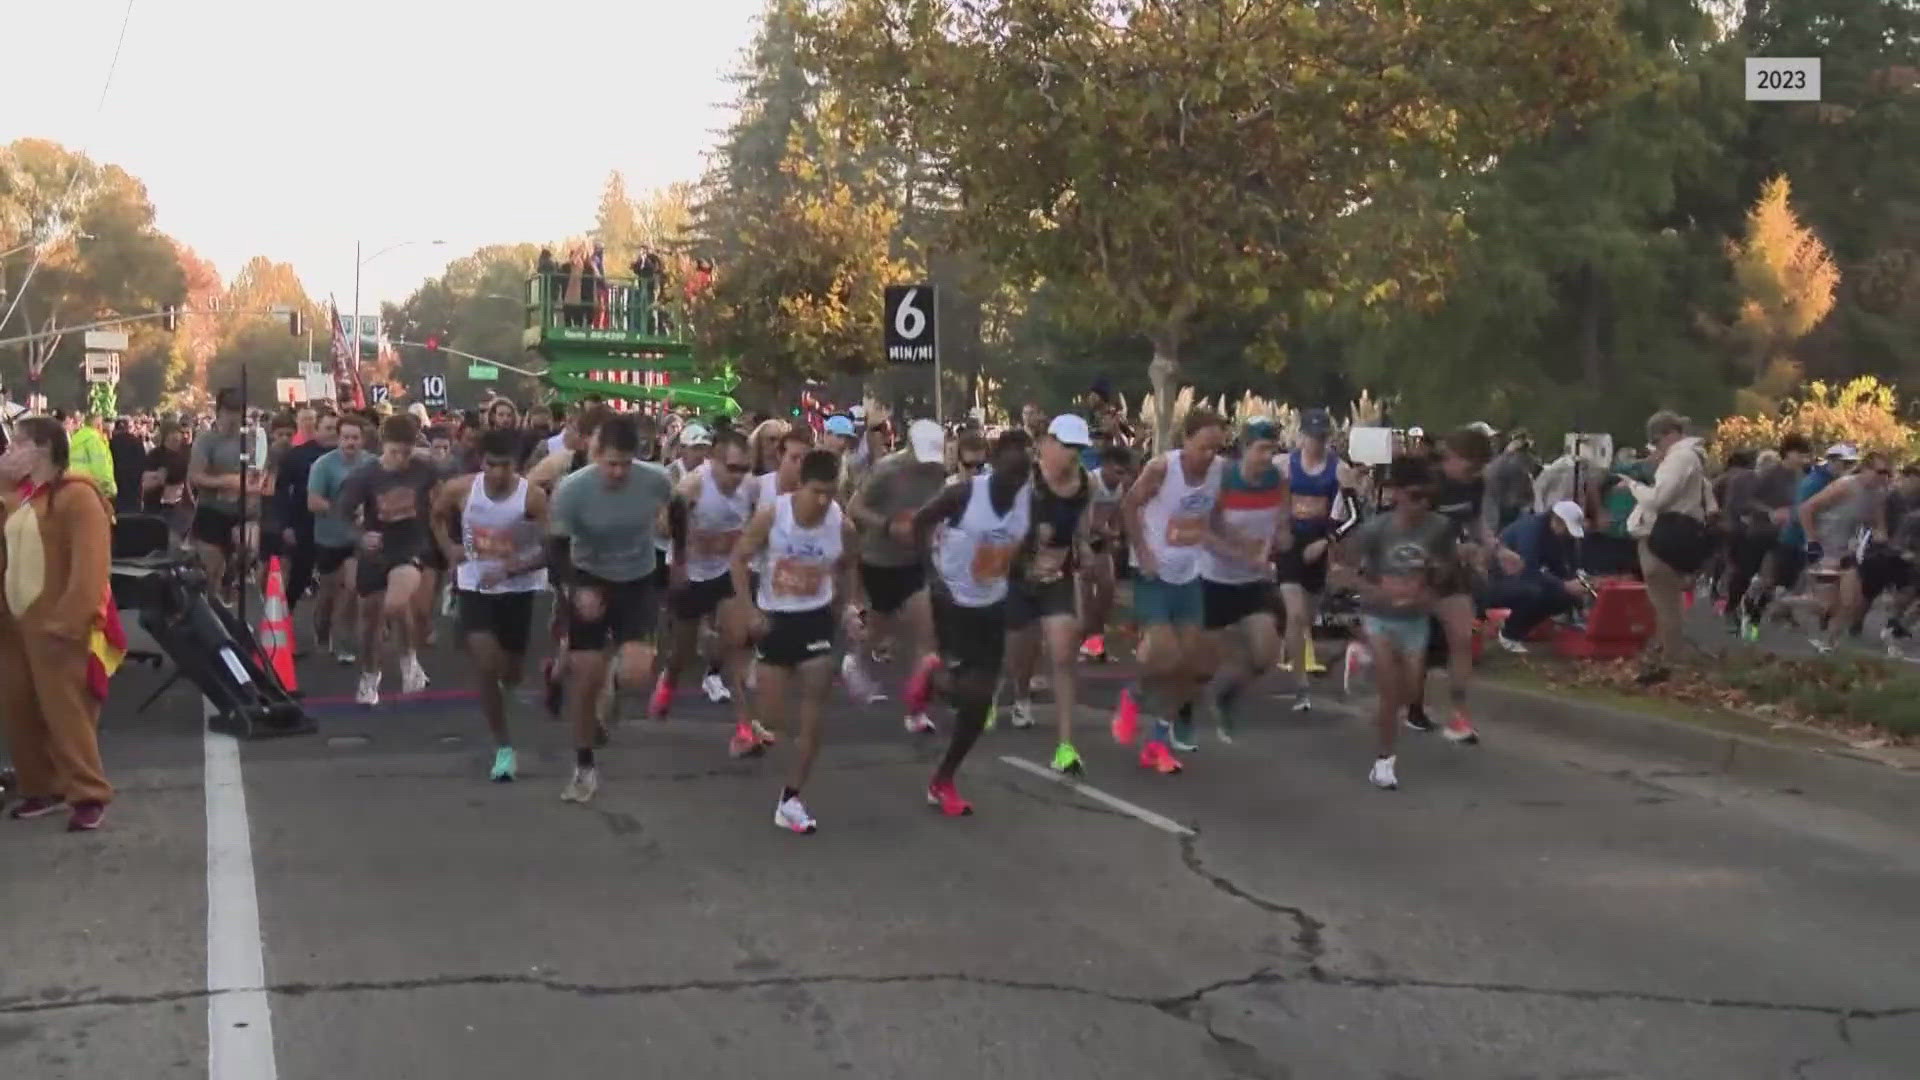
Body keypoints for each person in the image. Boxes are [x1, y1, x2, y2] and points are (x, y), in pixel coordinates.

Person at [730, 449, 862, 833]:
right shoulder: (774, 516)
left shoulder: (842, 526)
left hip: (816, 621)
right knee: (771, 719)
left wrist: (849, 606)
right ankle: (749, 690)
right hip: (775, 620)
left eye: (830, 493)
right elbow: (739, 560)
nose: (823, 501)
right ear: (800, 485)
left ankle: (791, 798)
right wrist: (748, 611)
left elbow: (851, 564)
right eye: (817, 491)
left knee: (814, 710)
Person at [548, 415, 676, 804]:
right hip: (588, 577)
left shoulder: (655, 480)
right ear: (595, 454)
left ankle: (612, 687)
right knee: (585, 680)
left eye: (625, 463)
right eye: (611, 463)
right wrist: (574, 590)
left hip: (637, 578)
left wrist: (680, 556)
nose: (618, 472)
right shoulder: (573, 490)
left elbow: (679, 511)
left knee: (637, 672)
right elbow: (554, 551)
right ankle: (584, 767)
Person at [0, 417, 116, 830]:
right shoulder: (20, 496)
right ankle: (40, 786)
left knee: (66, 712)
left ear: (44, 448)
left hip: (57, 623)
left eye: (19, 444)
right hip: (15, 624)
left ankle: (88, 792)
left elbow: (91, 564)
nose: (10, 451)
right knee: (18, 710)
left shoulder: (76, 496)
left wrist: (72, 616)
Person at [911, 430, 1034, 815]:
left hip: (991, 604)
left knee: (979, 702)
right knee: (970, 692)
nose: (1013, 487)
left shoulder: (1025, 498)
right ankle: (934, 677)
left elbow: (1021, 542)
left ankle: (944, 778)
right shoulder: (964, 494)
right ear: (993, 466)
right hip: (953, 600)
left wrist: (1020, 570)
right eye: (1008, 477)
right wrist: (931, 576)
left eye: (1021, 479)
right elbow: (920, 522)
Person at [1112, 409, 1228, 773]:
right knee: (1164, 654)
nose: (1209, 455)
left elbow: (1213, 514)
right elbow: (1129, 504)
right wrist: (1143, 551)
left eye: (1216, 448)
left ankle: (1159, 740)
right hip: (1154, 573)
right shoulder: (1163, 468)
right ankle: (1133, 694)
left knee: (1191, 666)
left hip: (1190, 573)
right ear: (1186, 440)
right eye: (1203, 447)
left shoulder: (1220, 470)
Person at [430, 428, 549, 782]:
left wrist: (518, 566)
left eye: (506, 466)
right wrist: (448, 548)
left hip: (518, 588)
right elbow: (436, 514)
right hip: (474, 583)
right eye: (492, 465)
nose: (498, 473)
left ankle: (512, 681)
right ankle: (504, 747)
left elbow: (554, 545)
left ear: (518, 465)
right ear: (482, 463)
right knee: (486, 663)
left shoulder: (533, 498)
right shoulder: (462, 489)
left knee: (510, 671)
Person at [1335, 454, 1457, 791]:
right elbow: (1341, 570)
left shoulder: (1438, 528)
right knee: (1390, 694)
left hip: (1415, 620)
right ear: (1397, 494)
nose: (1422, 505)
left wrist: (1430, 584)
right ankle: (1384, 762)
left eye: (1428, 498)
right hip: (1380, 618)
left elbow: (1447, 568)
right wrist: (1376, 590)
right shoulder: (1376, 530)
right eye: (1415, 496)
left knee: (1411, 692)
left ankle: (1364, 664)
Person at [655, 430, 764, 753]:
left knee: (735, 643)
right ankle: (669, 681)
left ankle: (744, 727)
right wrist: (680, 558)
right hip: (691, 574)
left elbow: (758, 526)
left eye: (744, 468)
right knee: (682, 651)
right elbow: (665, 523)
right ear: (712, 461)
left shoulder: (751, 488)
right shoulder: (692, 487)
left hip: (725, 573)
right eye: (731, 467)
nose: (738, 476)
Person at [1004, 415, 1095, 775]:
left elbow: (1083, 531)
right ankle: (1021, 693)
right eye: (1067, 446)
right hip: (1017, 578)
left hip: (1057, 577)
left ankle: (1066, 745)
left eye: (1079, 449)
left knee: (1062, 654)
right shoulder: (1023, 482)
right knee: (1020, 652)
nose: (1072, 455)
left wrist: (1084, 551)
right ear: (1047, 444)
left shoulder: (1087, 484)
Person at [334, 415, 443, 706]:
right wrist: (359, 536)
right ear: (383, 446)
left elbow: (441, 500)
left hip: (409, 546)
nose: (401, 459)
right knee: (370, 621)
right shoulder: (365, 476)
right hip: (375, 550)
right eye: (395, 452)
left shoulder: (424, 469)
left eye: (406, 452)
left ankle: (409, 662)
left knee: (395, 602)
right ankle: (370, 675)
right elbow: (341, 514)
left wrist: (443, 537)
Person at [850, 419, 950, 733]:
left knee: (926, 632)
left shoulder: (938, 473)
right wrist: (888, 526)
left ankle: (916, 710)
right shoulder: (886, 471)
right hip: (878, 560)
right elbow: (854, 508)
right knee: (879, 629)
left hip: (913, 563)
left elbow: (933, 511)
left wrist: (932, 535)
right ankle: (856, 659)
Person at [1200, 418, 1285, 740]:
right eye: (1261, 449)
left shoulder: (1277, 479)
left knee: (1265, 654)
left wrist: (1277, 542)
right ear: (1245, 448)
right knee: (1194, 666)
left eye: (1272, 450)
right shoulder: (1222, 480)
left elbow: (1280, 520)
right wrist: (1239, 553)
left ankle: (1226, 695)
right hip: (1213, 579)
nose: (1267, 457)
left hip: (1253, 583)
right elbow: (1203, 531)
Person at [1626, 411, 1715, 681]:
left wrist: (1633, 486)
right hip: (1677, 534)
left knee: (1664, 603)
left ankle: (1672, 661)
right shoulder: (1693, 459)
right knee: (1668, 602)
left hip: (1660, 536)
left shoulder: (1680, 457)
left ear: (1666, 435)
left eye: (1656, 441)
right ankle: (1669, 654)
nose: (1656, 448)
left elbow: (1659, 499)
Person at [1275, 408, 1343, 711]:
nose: (1316, 443)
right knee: (1297, 615)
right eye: (1312, 436)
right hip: (1291, 543)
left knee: (1309, 614)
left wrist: (1326, 542)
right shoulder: (1284, 466)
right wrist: (1278, 533)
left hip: (1319, 543)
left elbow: (1347, 516)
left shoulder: (1340, 470)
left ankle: (1294, 652)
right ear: (1302, 435)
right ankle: (1301, 685)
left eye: (1322, 437)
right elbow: (1273, 504)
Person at [306, 414, 368, 663]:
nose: (350, 442)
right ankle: (322, 630)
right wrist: (341, 509)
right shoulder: (323, 465)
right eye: (346, 437)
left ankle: (345, 643)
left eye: (355, 437)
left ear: (363, 439)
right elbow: (313, 502)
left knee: (352, 588)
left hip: (357, 539)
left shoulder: (371, 463)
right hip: (329, 538)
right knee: (329, 593)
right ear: (339, 438)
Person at [1484, 501, 1589, 650]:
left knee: (1564, 596)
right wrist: (1564, 585)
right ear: (1556, 520)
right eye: (1566, 529)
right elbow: (1527, 570)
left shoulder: (1558, 537)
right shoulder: (1531, 530)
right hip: (1495, 579)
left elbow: (1561, 568)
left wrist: (1578, 595)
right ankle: (1509, 634)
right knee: (1533, 591)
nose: (1567, 535)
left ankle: (1520, 629)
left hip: (1521, 578)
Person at [188, 390, 248, 604]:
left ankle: (229, 584)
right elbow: (195, 477)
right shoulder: (206, 441)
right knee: (211, 570)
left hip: (243, 511)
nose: (233, 417)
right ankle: (211, 611)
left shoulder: (250, 439)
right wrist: (226, 481)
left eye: (237, 411)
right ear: (218, 412)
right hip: (212, 511)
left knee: (244, 552)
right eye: (228, 411)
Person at [1078, 445, 1133, 661]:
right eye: (1119, 472)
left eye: (1126, 472)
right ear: (1106, 466)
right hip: (1081, 543)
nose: (1123, 477)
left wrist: (1116, 534)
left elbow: (1117, 514)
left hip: (1102, 543)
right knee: (1084, 601)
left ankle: (1095, 645)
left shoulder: (1119, 487)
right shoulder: (1091, 482)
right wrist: (1108, 532)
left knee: (1107, 592)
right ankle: (1080, 645)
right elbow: (1086, 520)